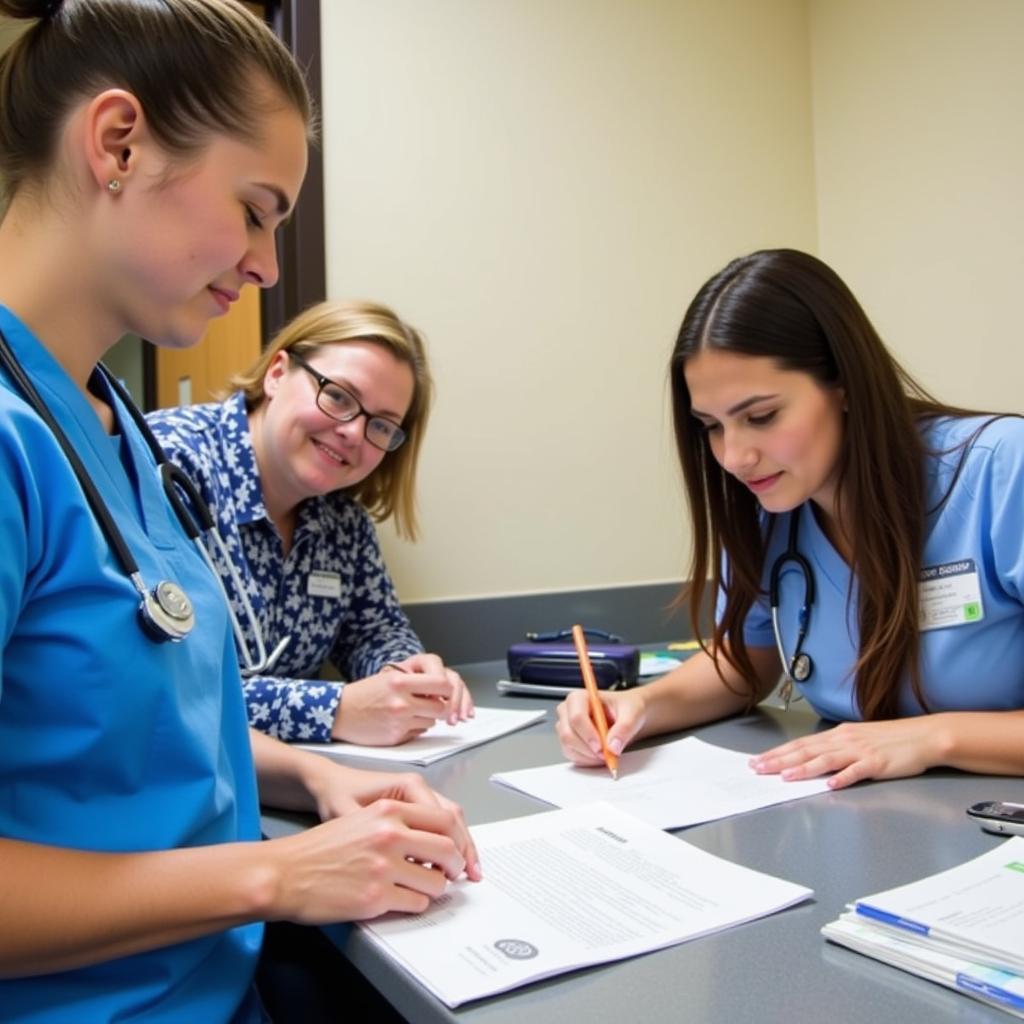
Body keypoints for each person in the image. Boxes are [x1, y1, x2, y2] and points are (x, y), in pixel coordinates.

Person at [0, 3, 479, 1022]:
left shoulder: (112, 422)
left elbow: (149, 732)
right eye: (256, 209)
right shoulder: (12, 443)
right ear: (118, 142)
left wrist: (318, 781)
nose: (266, 263)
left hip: (216, 981)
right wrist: (276, 875)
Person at [557, 248, 1024, 790]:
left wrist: (930, 738)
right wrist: (638, 705)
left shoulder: (1001, 470)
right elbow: (748, 662)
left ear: (844, 383)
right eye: (711, 426)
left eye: (761, 417)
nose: (733, 457)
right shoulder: (771, 509)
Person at [146, 299, 474, 747]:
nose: (354, 433)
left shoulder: (341, 521)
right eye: (338, 396)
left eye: (381, 425)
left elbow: (373, 632)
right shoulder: (166, 465)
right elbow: (166, 685)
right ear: (278, 373)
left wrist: (405, 675)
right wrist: (335, 711)